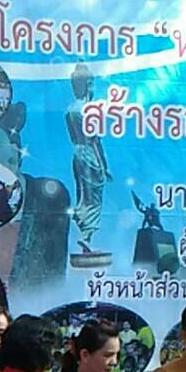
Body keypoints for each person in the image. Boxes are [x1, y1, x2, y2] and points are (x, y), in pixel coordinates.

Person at [65, 64, 111, 254]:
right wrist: (104, 166)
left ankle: (82, 220)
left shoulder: (70, 110)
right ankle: (86, 235)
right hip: (90, 154)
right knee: (93, 197)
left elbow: (73, 137)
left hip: (78, 154)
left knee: (84, 193)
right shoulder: (88, 110)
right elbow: (96, 141)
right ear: (87, 84)